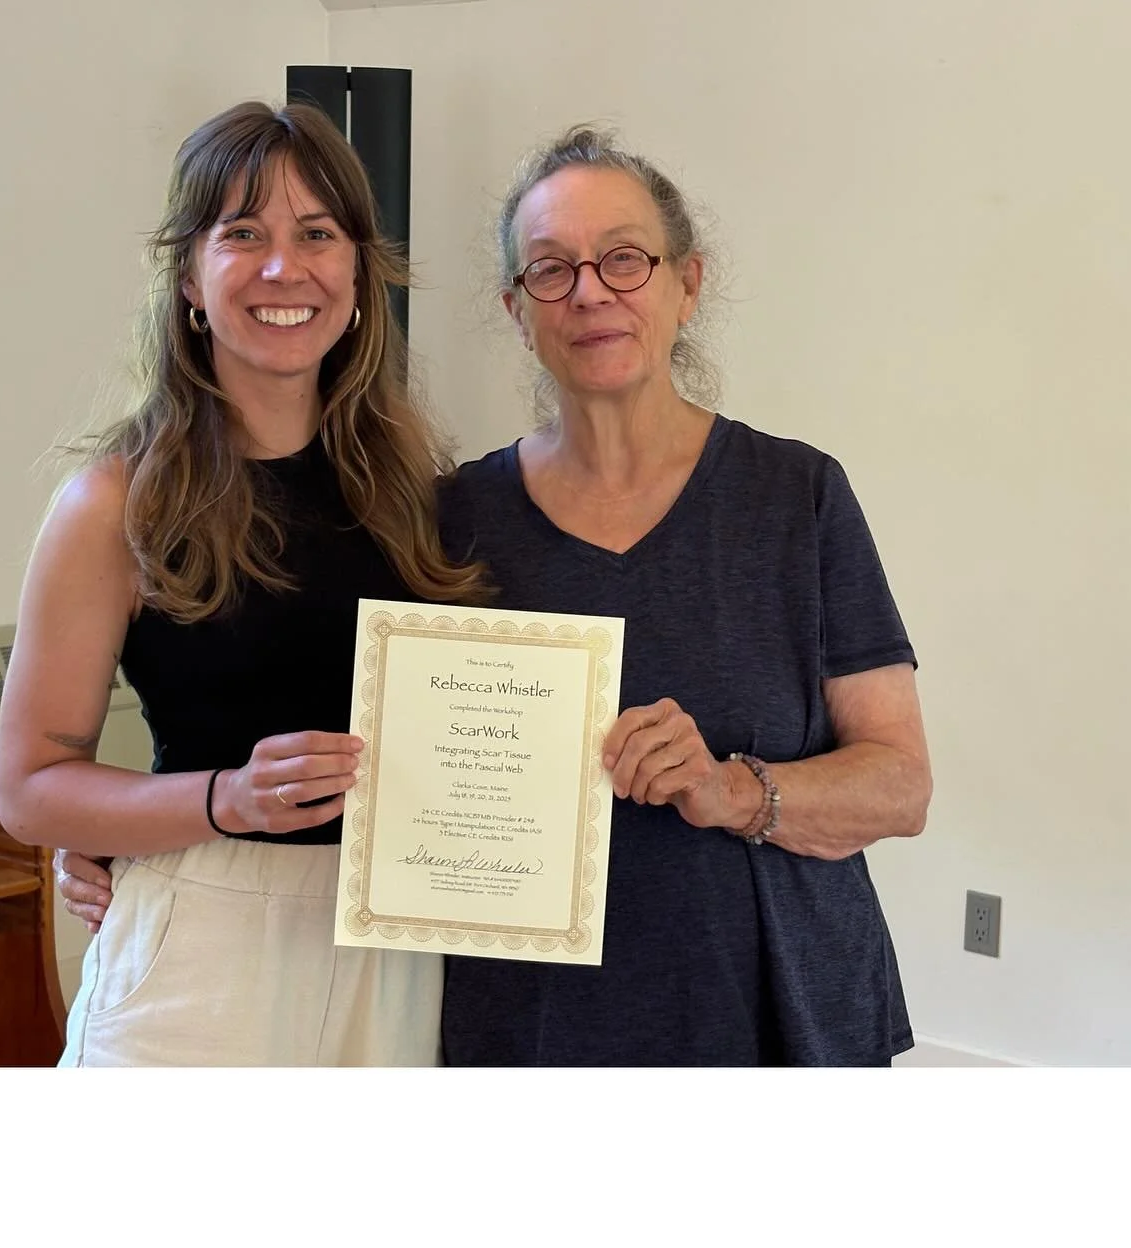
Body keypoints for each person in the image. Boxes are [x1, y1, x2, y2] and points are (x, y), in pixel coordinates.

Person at [57, 124, 933, 1067]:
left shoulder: (797, 498)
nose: (590, 290)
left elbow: (899, 784)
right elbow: (319, 699)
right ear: (518, 310)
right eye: (551, 270)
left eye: (625, 259)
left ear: (689, 282)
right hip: (520, 1017)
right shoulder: (445, 519)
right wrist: (132, 839)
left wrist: (729, 791)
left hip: (770, 1001)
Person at [0, 100, 486, 1067]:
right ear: (188, 275)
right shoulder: (115, 503)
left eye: (317, 235)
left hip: (399, 938)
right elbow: (31, 789)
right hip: (203, 938)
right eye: (243, 235)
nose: (282, 268)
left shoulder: (424, 490)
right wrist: (223, 799)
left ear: (356, 272)